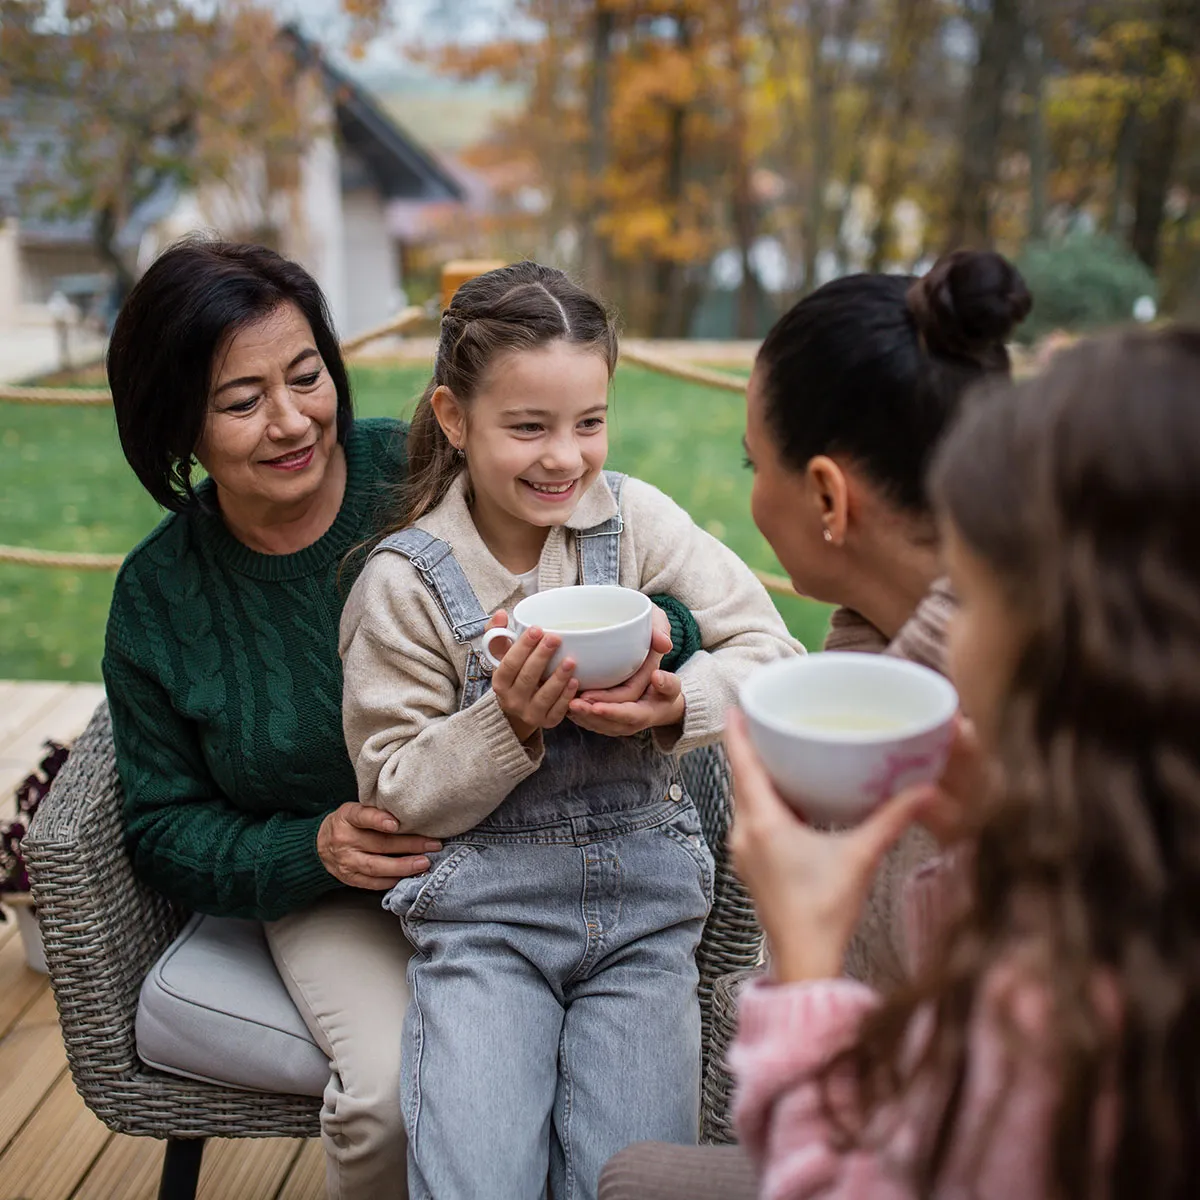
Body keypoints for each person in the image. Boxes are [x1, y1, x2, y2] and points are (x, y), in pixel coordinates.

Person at [102, 239, 702, 1200]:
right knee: (389, 1097)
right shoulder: (159, 598)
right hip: (342, 884)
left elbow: (603, 558)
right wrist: (314, 848)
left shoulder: (420, 466)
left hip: (521, 849)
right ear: (177, 424)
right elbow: (160, 824)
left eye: (306, 377)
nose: (292, 420)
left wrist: (657, 638)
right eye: (241, 401)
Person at [339, 261, 800, 1200]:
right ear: (456, 420)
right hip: (485, 926)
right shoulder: (404, 584)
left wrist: (677, 702)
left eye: (589, 423)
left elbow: (775, 653)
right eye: (528, 427)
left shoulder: (632, 521)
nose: (565, 457)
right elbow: (391, 789)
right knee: (479, 1179)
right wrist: (503, 723)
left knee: (626, 1181)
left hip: (643, 921)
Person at [727, 326, 1200, 1198]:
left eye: (970, 598)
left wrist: (802, 970)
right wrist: (1009, 850)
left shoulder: (1057, 1025)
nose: (948, 623)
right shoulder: (1145, 897)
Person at [598, 249, 1030, 1200]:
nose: (751, 496)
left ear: (829, 498)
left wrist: (798, 952)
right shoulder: (887, 657)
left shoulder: (979, 738)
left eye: (758, 465)